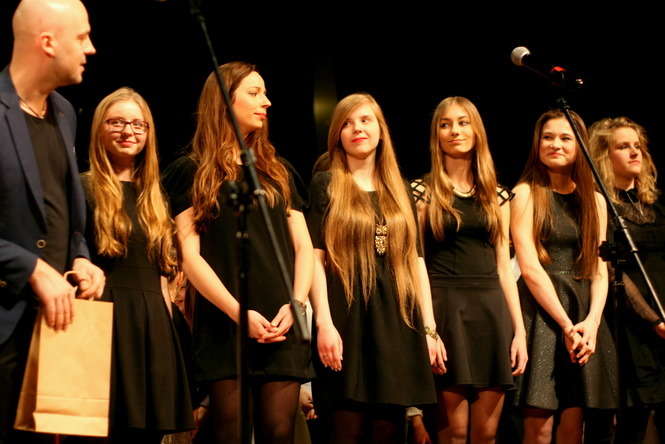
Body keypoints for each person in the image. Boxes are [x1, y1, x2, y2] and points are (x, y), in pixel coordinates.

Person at [163, 61, 314, 444]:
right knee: (228, 431)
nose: (266, 101)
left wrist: (296, 304)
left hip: (281, 320)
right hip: (224, 321)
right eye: (254, 92)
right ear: (225, 101)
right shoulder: (191, 170)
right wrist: (237, 313)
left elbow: (303, 247)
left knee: (279, 431)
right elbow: (190, 256)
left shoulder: (278, 171)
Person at [307, 93, 445, 444]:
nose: (357, 129)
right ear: (337, 135)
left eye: (365, 120)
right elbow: (315, 259)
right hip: (347, 320)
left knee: (388, 430)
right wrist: (324, 322)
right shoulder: (326, 184)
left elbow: (415, 262)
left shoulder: (400, 190)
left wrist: (429, 329)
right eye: (347, 123)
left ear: (381, 130)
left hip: (395, 322)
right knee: (346, 428)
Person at [0, 1, 103, 442]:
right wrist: (29, 267)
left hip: (53, 326)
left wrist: (81, 256)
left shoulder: (64, 112)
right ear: (47, 42)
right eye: (81, 37)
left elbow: (63, 209)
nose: (90, 48)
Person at [411, 97, 528, 443]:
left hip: (491, 312)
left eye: (463, 123)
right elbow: (416, 260)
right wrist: (429, 329)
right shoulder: (422, 192)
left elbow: (504, 267)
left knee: (487, 433)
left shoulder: (498, 196)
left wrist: (519, 331)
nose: (455, 131)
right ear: (436, 135)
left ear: (477, 131)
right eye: (445, 124)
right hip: (445, 309)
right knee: (454, 433)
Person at [81, 88, 194, 442]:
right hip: (101, 317)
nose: (128, 131)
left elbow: (163, 275)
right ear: (99, 128)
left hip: (151, 323)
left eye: (137, 124)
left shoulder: (156, 196)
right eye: (116, 122)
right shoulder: (82, 187)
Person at [511, 110, 618, 443]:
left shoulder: (595, 201)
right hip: (542, 313)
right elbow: (530, 267)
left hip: (583, 312)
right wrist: (565, 325)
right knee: (539, 426)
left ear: (579, 145)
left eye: (565, 138)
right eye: (548, 137)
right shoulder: (525, 193)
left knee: (573, 424)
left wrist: (592, 322)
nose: (555, 144)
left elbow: (599, 268)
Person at [589, 116, 665, 443]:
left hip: (662, 322)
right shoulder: (601, 206)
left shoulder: (655, 206)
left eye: (638, 146)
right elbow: (608, 268)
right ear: (604, 156)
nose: (635, 153)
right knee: (632, 422)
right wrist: (655, 321)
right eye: (623, 147)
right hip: (631, 327)